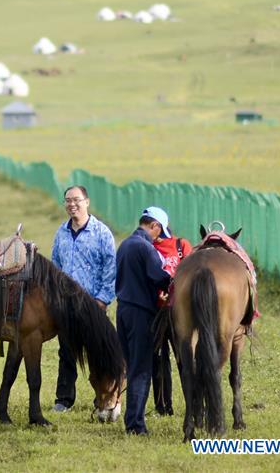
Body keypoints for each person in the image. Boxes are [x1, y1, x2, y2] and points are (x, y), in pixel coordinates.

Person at [50, 185, 117, 413]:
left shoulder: (101, 233)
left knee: (97, 353)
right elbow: (55, 266)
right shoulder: (62, 232)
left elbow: (110, 269)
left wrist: (102, 300)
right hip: (66, 305)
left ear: (87, 202)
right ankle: (64, 399)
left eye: (76, 200)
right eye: (68, 201)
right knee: (66, 352)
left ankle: (103, 398)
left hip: (93, 305)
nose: (72, 205)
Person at [115, 206, 174, 435]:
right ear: (154, 226)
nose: (159, 237)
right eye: (159, 233)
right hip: (141, 313)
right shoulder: (145, 247)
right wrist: (173, 281)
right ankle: (135, 426)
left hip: (123, 311)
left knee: (132, 366)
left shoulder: (125, 244)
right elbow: (159, 278)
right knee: (141, 370)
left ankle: (132, 419)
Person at [152, 225, 193, 416]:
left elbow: (192, 275)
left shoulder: (180, 245)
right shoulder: (147, 247)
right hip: (155, 312)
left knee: (184, 359)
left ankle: (192, 404)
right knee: (158, 361)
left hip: (179, 314)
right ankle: (163, 407)